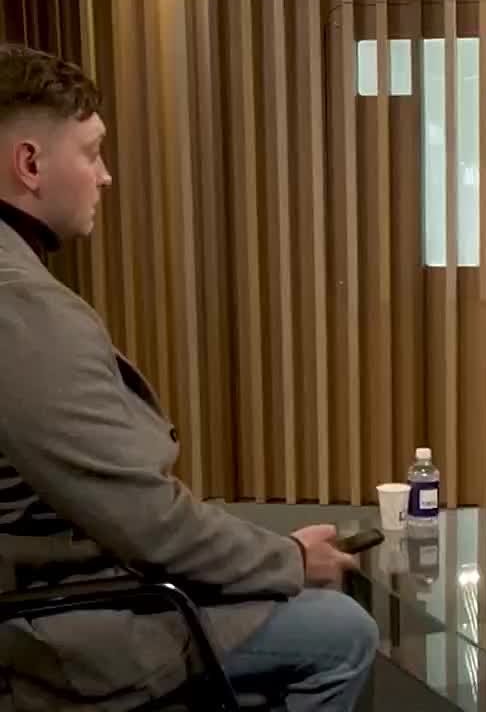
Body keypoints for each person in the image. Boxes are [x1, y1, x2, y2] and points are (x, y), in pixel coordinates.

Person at [0, 44, 377, 710]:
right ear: (30, 164)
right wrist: (288, 560)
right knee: (341, 631)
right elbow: (146, 522)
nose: (106, 176)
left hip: (71, 586)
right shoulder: (21, 306)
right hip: (60, 624)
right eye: (92, 153)